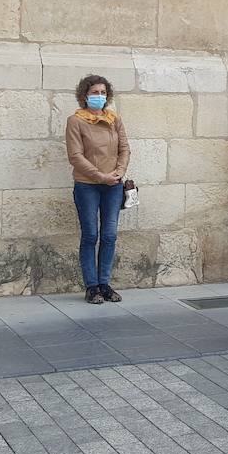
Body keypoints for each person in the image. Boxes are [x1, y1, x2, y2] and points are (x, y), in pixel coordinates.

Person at [65, 75, 130, 304]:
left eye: (103, 93)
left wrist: (119, 172)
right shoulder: (76, 121)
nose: (99, 97)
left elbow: (124, 149)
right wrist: (100, 175)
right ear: (85, 95)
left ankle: (105, 283)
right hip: (88, 185)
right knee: (91, 235)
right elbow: (75, 156)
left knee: (110, 235)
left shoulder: (114, 119)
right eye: (94, 93)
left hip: (113, 185)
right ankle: (92, 286)